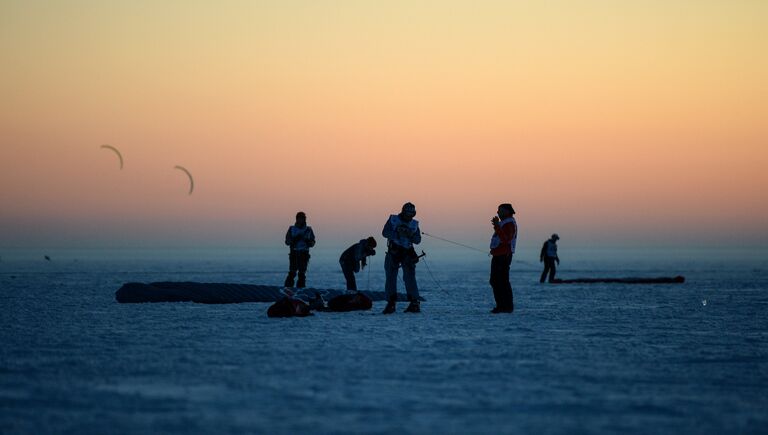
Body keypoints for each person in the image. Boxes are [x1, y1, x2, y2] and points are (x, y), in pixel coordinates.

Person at [381, 202, 422, 314]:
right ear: (403, 211)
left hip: (408, 253)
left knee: (410, 278)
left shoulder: (414, 224)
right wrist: (398, 233)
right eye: (407, 212)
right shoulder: (393, 220)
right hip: (393, 252)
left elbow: (418, 240)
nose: (409, 215)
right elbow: (385, 233)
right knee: (390, 277)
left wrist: (410, 235)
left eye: (411, 213)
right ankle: (391, 303)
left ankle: (414, 303)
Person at [489, 203, 518, 313]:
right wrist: (497, 225)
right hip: (499, 256)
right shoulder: (505, 223)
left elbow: (506, 239)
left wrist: (496, 225)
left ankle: (504, 307)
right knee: (497, 281)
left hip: (503, 256)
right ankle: (503, 306)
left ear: (507, 211)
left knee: (500, 281)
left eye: (500, 210)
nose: (497, 212)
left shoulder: (509, 223)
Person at [284, 211, 316, 288]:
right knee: (292, 273)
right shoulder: (291, 229)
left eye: (303, 218)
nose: (301, 220)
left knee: (302, 274)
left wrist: (307, 241)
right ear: (297, 219)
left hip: (304, 254)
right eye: (300, 218)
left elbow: (313, 242)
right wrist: (295, 239)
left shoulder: (308, 229)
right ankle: (288, 288)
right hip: (294, 253)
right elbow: (287, 242)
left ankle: (301, 289)